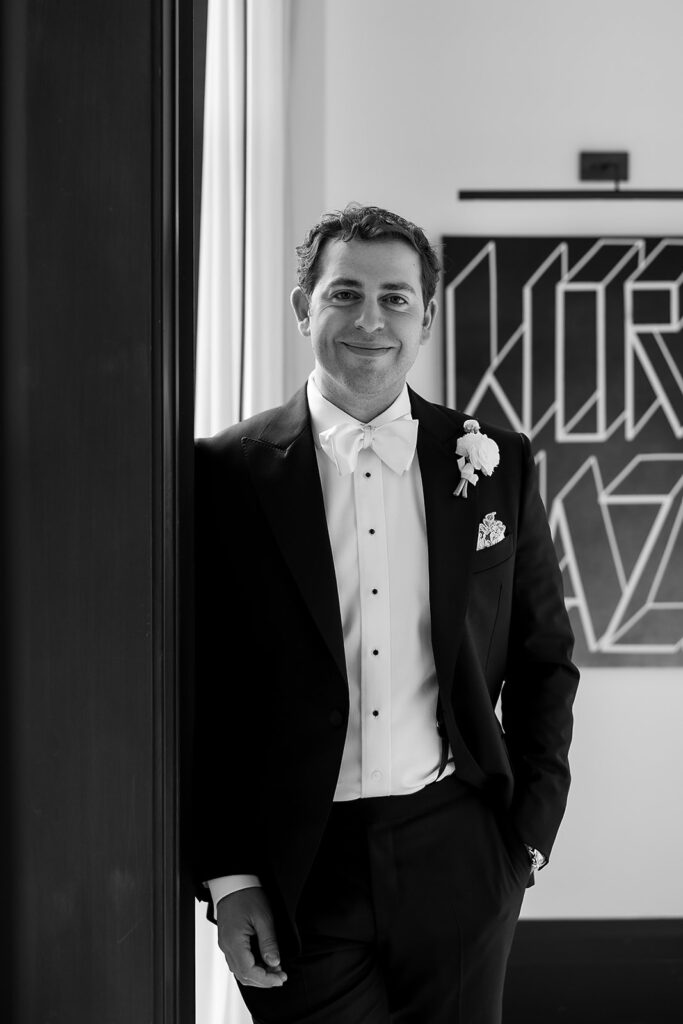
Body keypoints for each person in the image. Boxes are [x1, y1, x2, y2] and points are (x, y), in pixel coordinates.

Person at [193, 203, 579, 1024]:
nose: (370, 320)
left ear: (427, 317)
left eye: (396, 298)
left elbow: (546, 656)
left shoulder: (496, 463)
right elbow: (201, 691)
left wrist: (528, 836)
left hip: (462, 849)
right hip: (297, 867)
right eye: (344, 294)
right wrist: (229, 880)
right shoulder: (224, 474)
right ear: (304, 308)